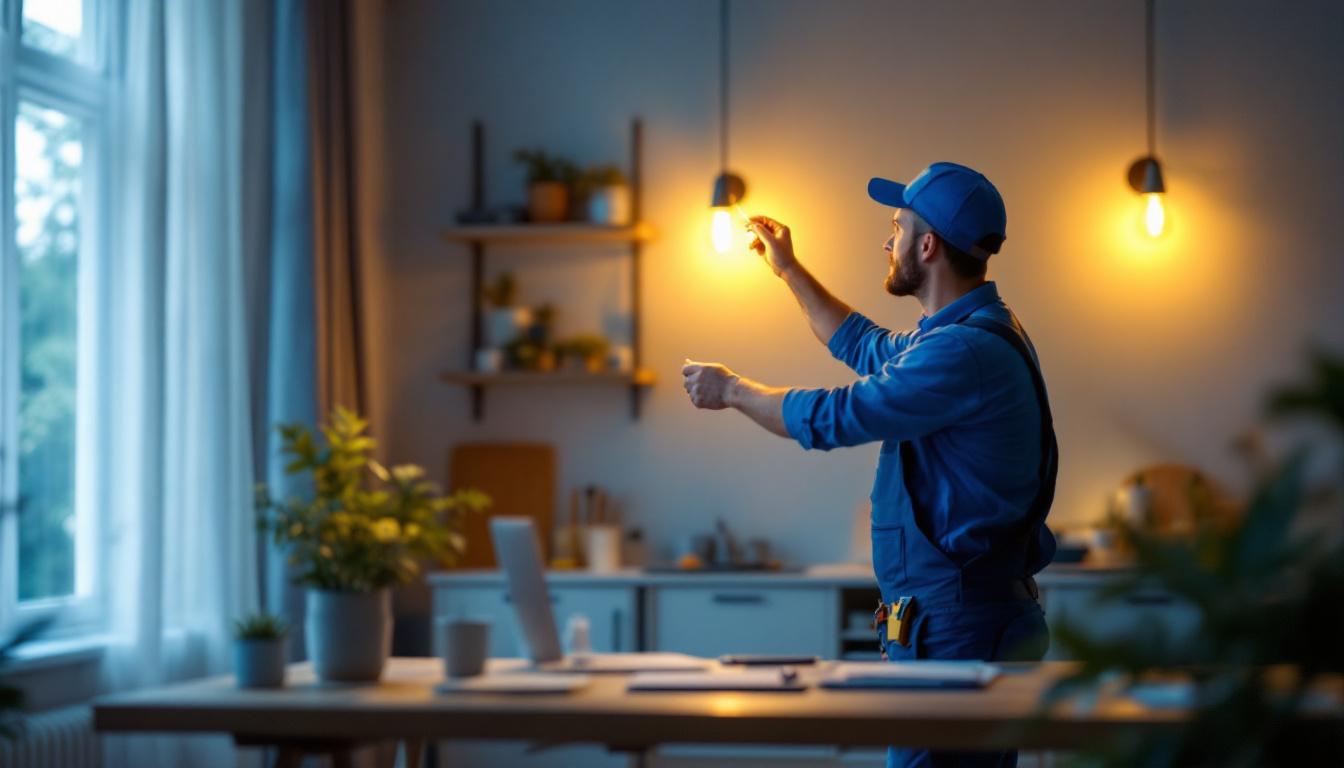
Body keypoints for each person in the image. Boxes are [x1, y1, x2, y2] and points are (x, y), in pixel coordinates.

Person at [682, 162, 1058, 768]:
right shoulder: (966, 333)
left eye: (897, 228)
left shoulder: (962, 351)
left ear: (927, 246)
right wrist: (788, 269)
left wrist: (731, 390)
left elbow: (837, 416)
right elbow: (862, 343)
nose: (888, 242)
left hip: (959, 627)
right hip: (954, 620)